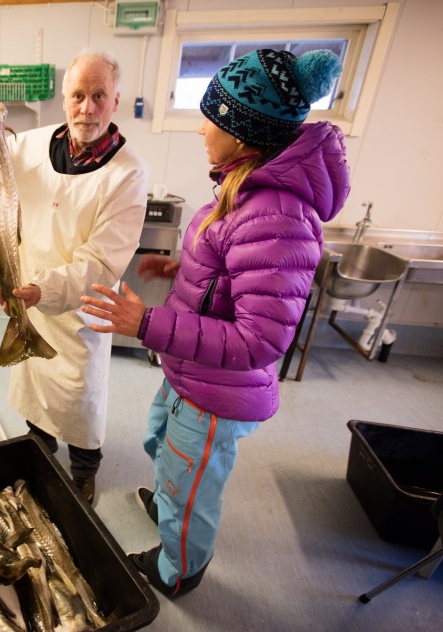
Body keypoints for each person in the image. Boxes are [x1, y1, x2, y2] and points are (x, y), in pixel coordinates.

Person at [80, 48, 349, 597]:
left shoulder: (278, 216)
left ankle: (180, 569)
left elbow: (260, 338)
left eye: (213, 117)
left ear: (244, 131)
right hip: (192, 376)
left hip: (216, 393)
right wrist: (187, 267)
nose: (202, 128)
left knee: (192, 486)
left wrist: (146, 324)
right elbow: (236, 273)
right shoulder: (245, 191)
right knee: (161, 445)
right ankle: (171, 500)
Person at [0, 49, 149, 503]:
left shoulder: (127, 173)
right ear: (65, 99)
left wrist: (44, 290)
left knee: (80, 392)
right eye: (78, 95)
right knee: (33, 384)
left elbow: (102, 261)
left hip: (81, 305)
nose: (87, 108)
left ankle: (85, 469)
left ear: (116, 100)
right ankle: (39, 448)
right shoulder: (30, 144)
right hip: (24, 288)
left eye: (99, 96)